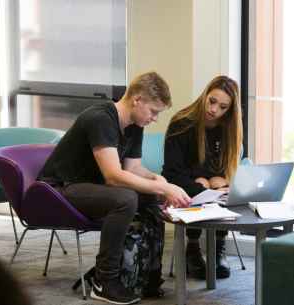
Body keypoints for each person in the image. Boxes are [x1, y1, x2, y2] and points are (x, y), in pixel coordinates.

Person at [38, 72, 191, 305]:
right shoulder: (100, 118)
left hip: (88, 186)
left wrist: (160, 182)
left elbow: (133, 168)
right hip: (58, 189)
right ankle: (104, 280)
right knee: (126, 198)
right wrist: (163, 188)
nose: (155, 119)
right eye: (154, 111)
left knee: (149, 194)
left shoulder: (135, 124)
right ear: (137, 99)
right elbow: (113, 176)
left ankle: (147, 275)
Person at [162, 75, 242, 280]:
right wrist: (204, 184)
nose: (214, 110)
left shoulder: (229, 128)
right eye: (212, 101)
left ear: (230, 110)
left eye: (223, 107)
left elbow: (227, 168)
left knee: (219, 185)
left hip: (212, 185)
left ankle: (218, 246)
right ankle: (193, 248)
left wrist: (221, 183)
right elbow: (172, 172)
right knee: (203, 184)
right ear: (205, 94)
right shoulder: (182, 123)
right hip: (181, 182)